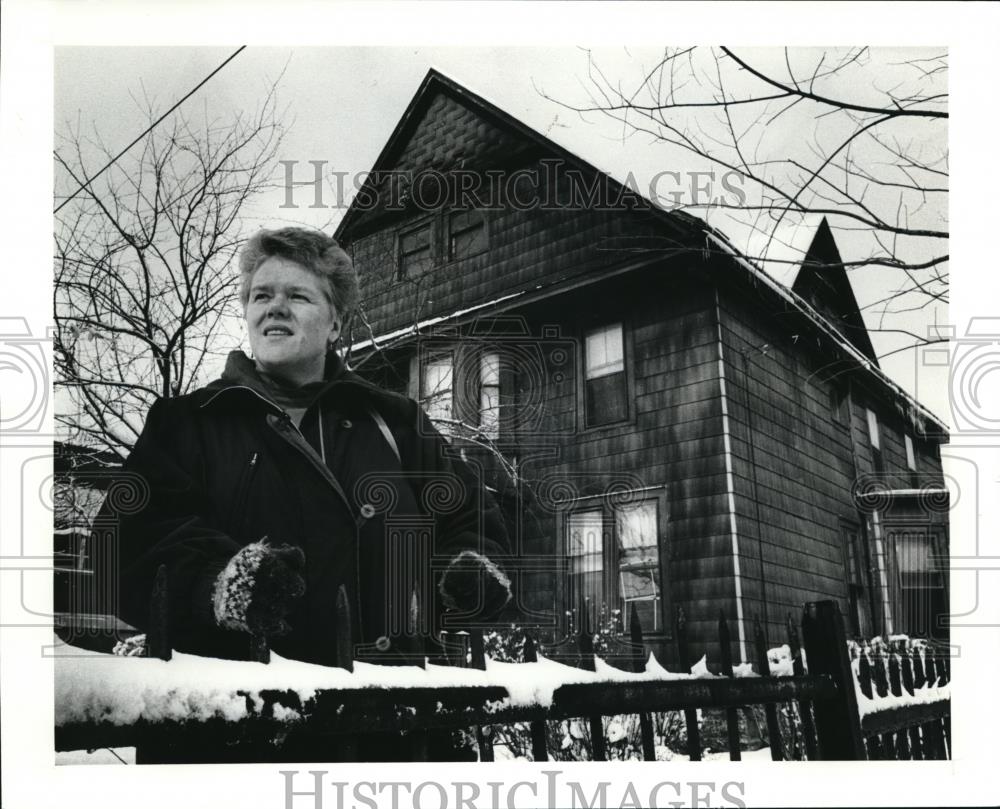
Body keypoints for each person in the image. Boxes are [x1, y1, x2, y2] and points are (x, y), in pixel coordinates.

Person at [91, 228, 511, 757]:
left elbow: (471, 517)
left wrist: (467, 568)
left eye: (298, 296)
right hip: (239, 737)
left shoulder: (396, 422)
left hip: (396, 729)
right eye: (261, 295)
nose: (275, 308)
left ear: (335, 321)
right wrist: (221, 581)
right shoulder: (188, 423)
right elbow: (123, 545)